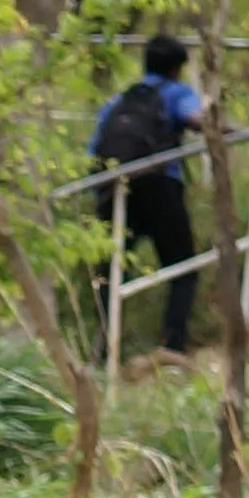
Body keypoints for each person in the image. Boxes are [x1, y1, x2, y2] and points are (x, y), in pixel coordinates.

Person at [91, 32, 208, 354]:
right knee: (183, 270)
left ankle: (103, 350)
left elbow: (93, 150)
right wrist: (234, 130)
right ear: (175, 69)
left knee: (110, 274)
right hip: (161, 188)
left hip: (115, 192)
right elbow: (195, 119)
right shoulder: (176, 93)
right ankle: (172, 347)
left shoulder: (117, 102)